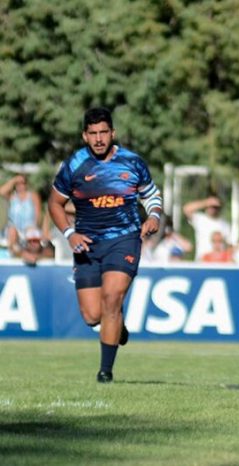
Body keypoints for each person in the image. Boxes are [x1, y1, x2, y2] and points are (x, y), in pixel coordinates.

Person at [48, 107, 161, 383]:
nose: (99, 139)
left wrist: (154, 215)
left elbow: (151, 195)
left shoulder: (132, 162)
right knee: (92, 315)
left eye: (104, 132)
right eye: (93, 133)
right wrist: (69, 234)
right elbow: (54, 203)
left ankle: (105, 373)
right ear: (85, 136)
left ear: (113, 133)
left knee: (112, 299)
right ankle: (117, 329)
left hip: (124, 240)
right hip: (87, 244)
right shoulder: (74, 165)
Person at [0, 173, 42, 256]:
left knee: (31, 232)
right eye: (17, 184)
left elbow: (38, 214)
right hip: (13, 230)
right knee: (12, 230)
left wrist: (35, 226)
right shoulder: (12, 197)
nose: (20, 186)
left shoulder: (33, 196)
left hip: (29, 228)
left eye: (22, 183)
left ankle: (27, 255)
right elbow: (1, 192)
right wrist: (14, 179)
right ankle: (11, 255)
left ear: (26, 184)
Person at [183, 195, 230, 260]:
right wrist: (206, 202)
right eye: (210, 206)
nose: (212, 208)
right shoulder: (200, 218)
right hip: (202, 260)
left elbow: (229, 244)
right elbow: (186, 209)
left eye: (215, 207)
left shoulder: (225, 224)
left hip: (220, 261)